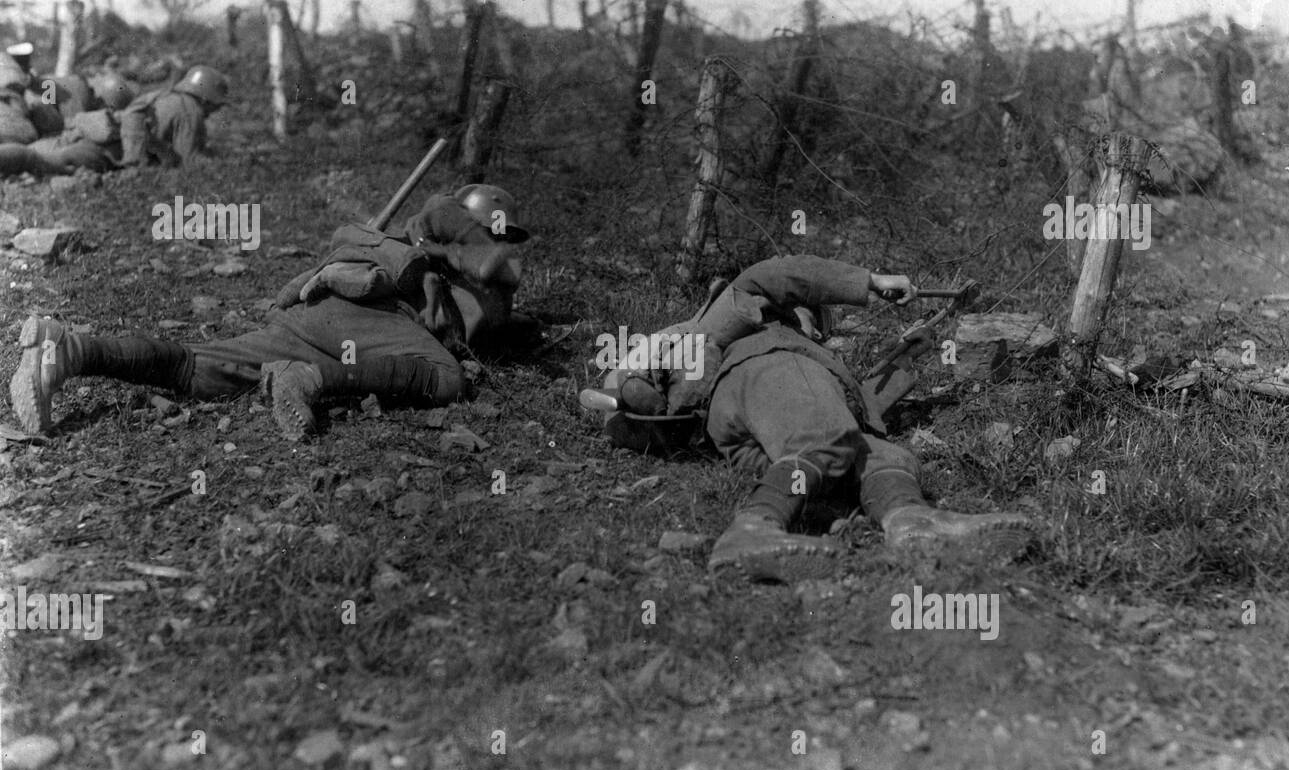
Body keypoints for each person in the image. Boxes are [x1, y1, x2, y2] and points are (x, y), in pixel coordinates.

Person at [591, 254, 1037, 582]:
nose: (820, 329)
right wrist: (869, 281)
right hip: (767, 376)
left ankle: (912, 522)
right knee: (825, 436)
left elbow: (849, 413)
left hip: (752, 437)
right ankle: (750, 530)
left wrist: (904, 358)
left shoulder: (805, 367)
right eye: (815, 315)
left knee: (878, 455)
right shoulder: (766, 329)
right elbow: (782, 273)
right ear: (795, 310)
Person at [10, 184, 533, 442]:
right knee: (445, 378)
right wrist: (468, 249)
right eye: (502, 229)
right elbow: (494, 264)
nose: (508, 243)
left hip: (314, 316)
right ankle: (308, 378)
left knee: (196, 369)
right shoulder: (452, 229)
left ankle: (71, 349)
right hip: (368, 321)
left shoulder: (432, 247)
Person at [120, 64, 228, 167]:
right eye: (216, 106)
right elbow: (189, 160)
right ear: (206, 100)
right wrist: (219, 162)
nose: (214, 111)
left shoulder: (166, 96)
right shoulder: (190, 111)